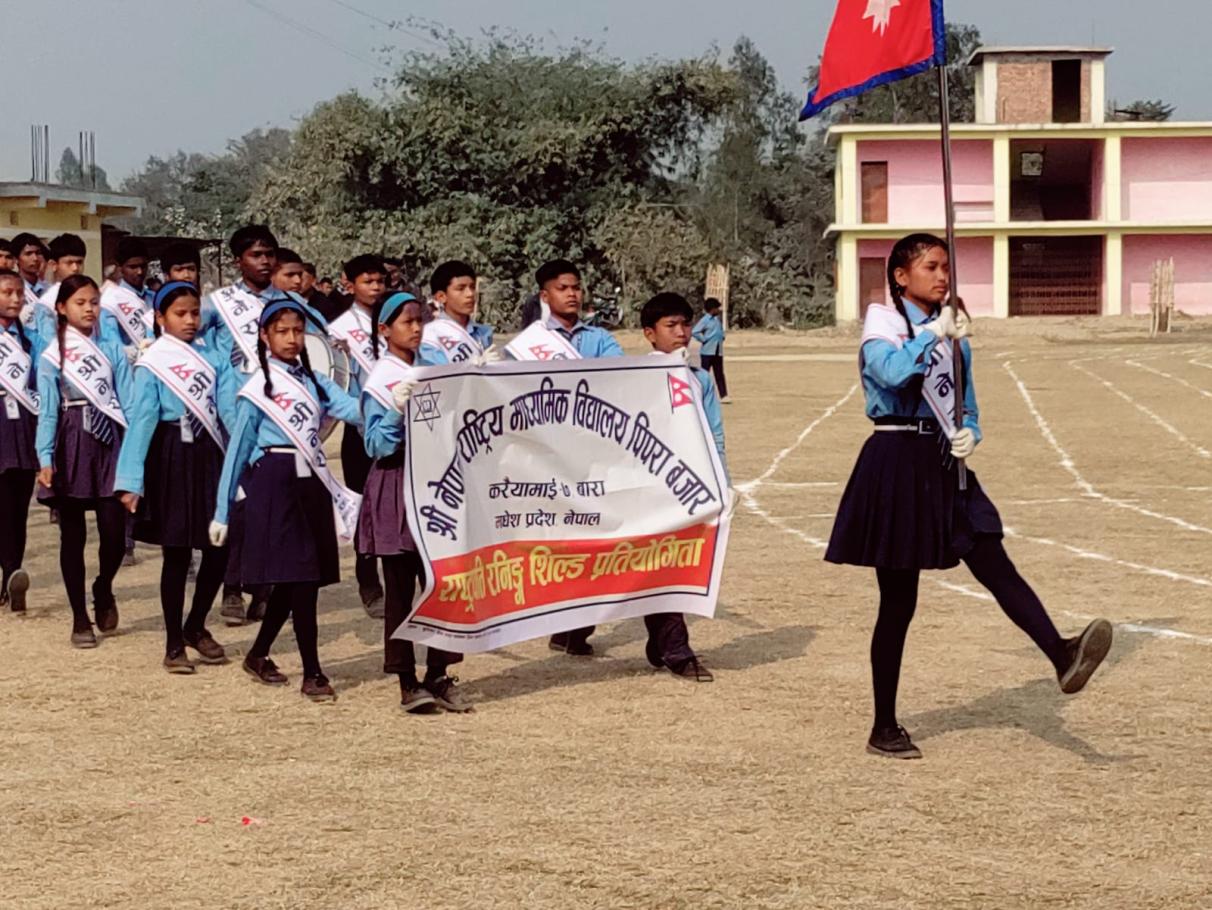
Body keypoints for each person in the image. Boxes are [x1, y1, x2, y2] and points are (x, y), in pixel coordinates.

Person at [824, 233, 1114, 761]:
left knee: (993, 557)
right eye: (931, 267)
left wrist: (970, 432)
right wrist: (934, 333)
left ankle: (1061, 654)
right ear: (900, 276)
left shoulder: (955, 336)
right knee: (899, 602)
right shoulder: (883, 326)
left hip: (944, 461)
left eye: (946, 268)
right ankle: (883, 725)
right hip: (895, 463)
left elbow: (968, 405)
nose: (942, 277)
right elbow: (891, 374)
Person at [210, 295, 362, 701]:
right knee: (301, 580)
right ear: (265, 336)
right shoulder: (257, 388)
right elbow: (238, 450)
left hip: (311, 483)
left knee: (300, 579)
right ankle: (313, 672)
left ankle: (258, 653)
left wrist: (391, 399)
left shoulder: (314, 380)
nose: (292, 339)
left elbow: (352, 409)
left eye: (298, 331)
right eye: (282, 332)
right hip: (274, 482)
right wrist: (222, 511)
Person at [115, 282, 237, 673]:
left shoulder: (214, 358)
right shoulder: (153, 361)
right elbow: (142, 420)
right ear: (160, 317)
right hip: (170, 455)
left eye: (194, 313)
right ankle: (173, 644)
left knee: (219, 546)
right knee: (177, 553)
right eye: (180, 314)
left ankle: (195, 624)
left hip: (209, 454)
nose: (189, 320)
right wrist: (130, 480)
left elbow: (229, 410)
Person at [358, 291, 471, 712]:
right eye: (407, 322)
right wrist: (395, 409)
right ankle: (406, 680)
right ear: (385, 330)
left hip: (435, 484)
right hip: (396, 485)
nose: (417, 328)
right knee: (400, 590)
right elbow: (375, 445)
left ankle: (438, 672)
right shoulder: (379, 381)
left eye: (420, 320)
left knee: (444, 583)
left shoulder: (432, 367)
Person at [35, 275, 135, 648]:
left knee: (114, 534)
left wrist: (135, 454)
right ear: (62, 308)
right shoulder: (52, 355)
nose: (89, 309)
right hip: (71, 442)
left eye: (94, 302)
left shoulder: (112, 349)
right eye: (80, 302)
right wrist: (45, 456)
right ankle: (79, 617)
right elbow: (48, 411)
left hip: (109, 443)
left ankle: (103, 586)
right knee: (72, 535)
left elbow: (128, 402)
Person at [637, 291, 728, 682]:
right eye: (670, 325)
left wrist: (721, 482)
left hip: (689, 489)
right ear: (649, 333)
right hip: (648, 489)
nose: (681, 333)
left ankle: (662, 642)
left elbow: (714, 432)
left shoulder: (699, 379)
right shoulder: (634, 377)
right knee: (658, 566)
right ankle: (676, 649)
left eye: (685, 325)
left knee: (677, 565)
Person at [536, 259, 623, 657]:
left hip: (593, 454)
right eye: (562, 288)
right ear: (545, 295)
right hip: (550, 458)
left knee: (595, 540)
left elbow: (619, 377)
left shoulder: (600, 339)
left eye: (576, 287)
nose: (571, 294)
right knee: (559, 543)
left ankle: (578, 627)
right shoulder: (531, 343)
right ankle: (561, 624)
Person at [329, 254, 389, 615]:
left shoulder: (397, 320)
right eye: (368, 282)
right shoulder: (339, 331)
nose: (376, 288)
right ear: (349, 285)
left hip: (397, 428)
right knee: (365, 505)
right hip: (361, 430)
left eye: (380, 281)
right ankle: (368, 580)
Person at [0, 269, 40, 612]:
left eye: (19, 293)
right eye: (6, 293)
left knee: (18, 507)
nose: (15, 299)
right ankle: (9, 569)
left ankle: (13, 576)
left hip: (23, 427)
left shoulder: (30, 340)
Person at [418, 260, 496, 366]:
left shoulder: (483, 332)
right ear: (441, 297)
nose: (470, 294)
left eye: (472, 287)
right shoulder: (430, 335)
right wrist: (470, 366)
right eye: (461, 289)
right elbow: (437, 373)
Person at [34, 234, 88, 343]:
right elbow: (48, 342)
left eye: (79, 262)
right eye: (69, 263)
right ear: (53, 265)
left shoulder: (90, 294)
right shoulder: (47, 302)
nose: (75, 268)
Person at [693, 298, 729, 403]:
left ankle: (724, 395)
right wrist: (704, 339)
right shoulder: (705, 320)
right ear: (712, 309)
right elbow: (695, 331)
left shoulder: (717, 320)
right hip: (707, 352)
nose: (719, 310)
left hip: (718, 351)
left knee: (719, 374)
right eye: (717, 308)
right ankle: (700, 395)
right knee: (704, 374)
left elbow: (719, 331)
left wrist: (722, 336)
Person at [11, 233, 48, 326]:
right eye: (28, 254)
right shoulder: (10, 290)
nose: (35, 258)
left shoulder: (49, 289)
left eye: (38, 253)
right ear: (16, 259)